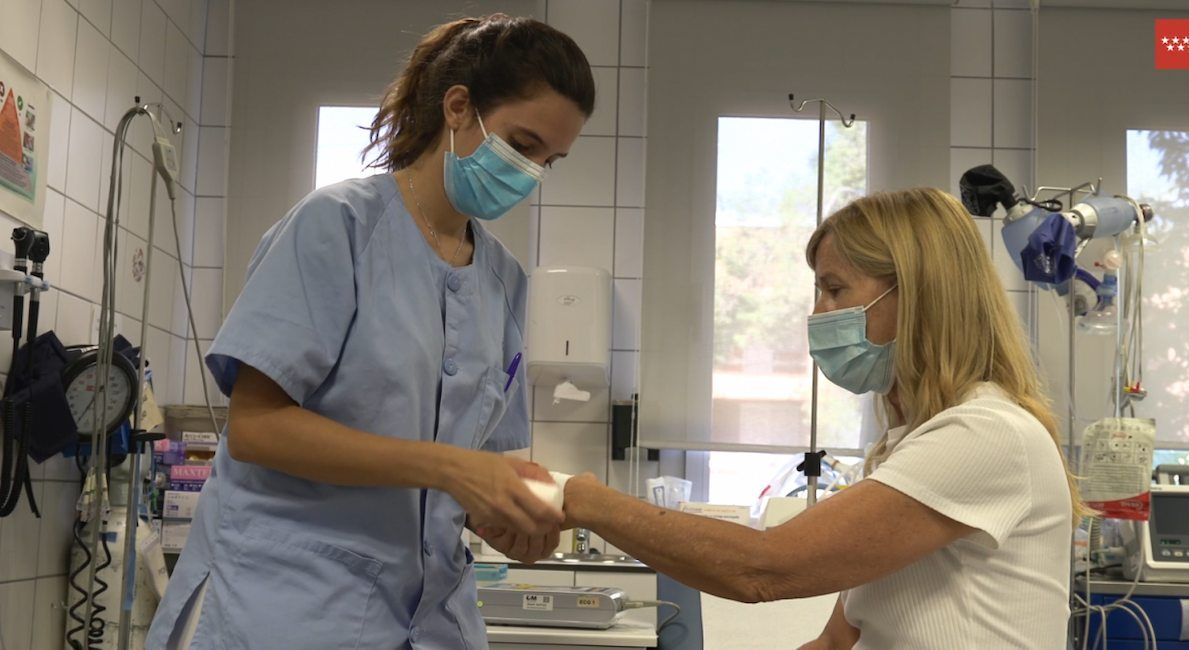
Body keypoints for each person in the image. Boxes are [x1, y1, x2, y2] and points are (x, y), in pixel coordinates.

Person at [146, 14, 594, 649]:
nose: (530, 175)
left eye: (550, 161)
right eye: (521, 146)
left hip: (431, 618)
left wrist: (509, 522)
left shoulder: (504, 282)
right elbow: (255, 427)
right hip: (289, 606)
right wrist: (450, 469)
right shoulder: (338, 227)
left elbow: (474, 476)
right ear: (459, 108)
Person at [562, 188, 1084, 649]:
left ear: (919, 296)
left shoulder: (985, 434)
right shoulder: (905, 447)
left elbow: (765, 568)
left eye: (835, 290)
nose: (817, 314)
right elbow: (838, 640)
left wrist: (586, 501)